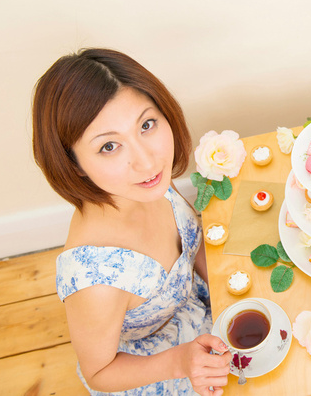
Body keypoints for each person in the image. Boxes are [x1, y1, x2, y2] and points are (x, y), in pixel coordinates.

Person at [32, 49, 232, 394]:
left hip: (200, 310)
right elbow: (99, 372)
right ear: (74, 163)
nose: (147, 160)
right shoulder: (95, 279)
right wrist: (181, 362)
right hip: (157, 365)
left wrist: (227, 294)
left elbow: (193, 242)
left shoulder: (150, 184)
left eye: (146, 125)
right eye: (109, 146)